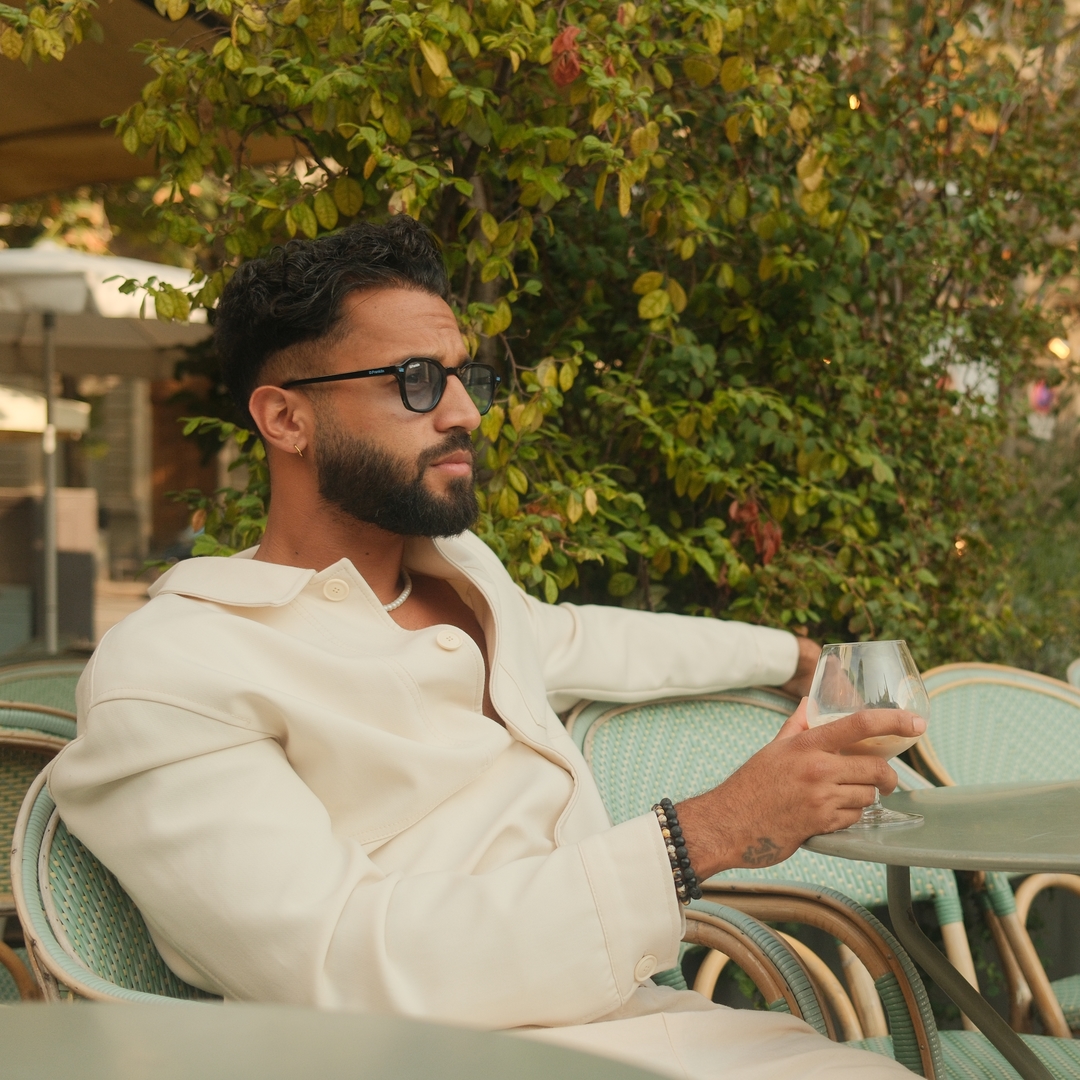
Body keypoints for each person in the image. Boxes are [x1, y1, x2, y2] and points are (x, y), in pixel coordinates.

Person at [49, 218, 923, 1079]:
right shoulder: (176, 671)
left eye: (465, 378)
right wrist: (708, 832)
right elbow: (338, 966)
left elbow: (591, 638)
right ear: (286, 418)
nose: (465, 412)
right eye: (416, 380)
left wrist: (787, 657)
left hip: (633, 1022)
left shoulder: (461, 576)